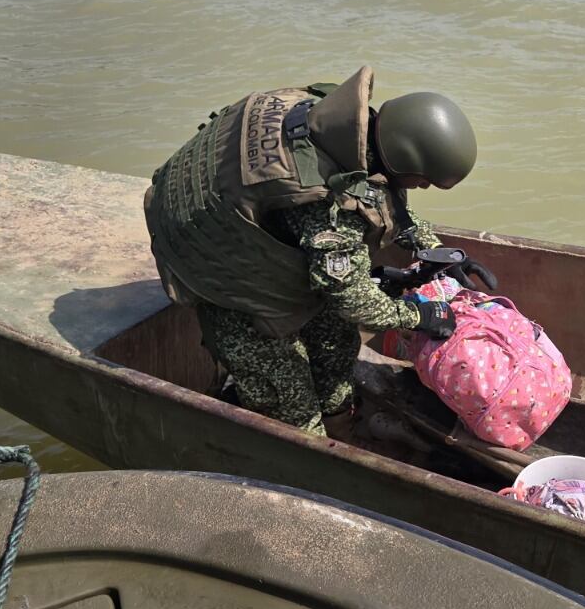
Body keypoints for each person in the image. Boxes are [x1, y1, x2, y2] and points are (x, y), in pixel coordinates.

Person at [143, 66, 477, 435]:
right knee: (292, 412)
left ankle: (340, 422)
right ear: (405, 157)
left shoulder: (340, 123)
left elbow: (379, 197)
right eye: (424, 181)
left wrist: (436, 252)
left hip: (245, 217)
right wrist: (419, 317)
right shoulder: (328, 208)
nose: (424, 188)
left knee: (336, 343)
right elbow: (354, 299)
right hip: (221, 273)